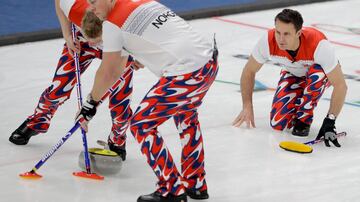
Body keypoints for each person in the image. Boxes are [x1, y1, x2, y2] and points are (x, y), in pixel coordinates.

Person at [76, 0, 218, 201]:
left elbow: (110, 71)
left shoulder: (111, 24)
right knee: (186, 118)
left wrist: (90, 104)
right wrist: (139, 55)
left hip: (186, 72)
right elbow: (156, 36)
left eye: (94, 1)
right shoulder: (142, 1)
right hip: (208, 62)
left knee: (142, 125)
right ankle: (195, 184)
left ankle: (171, 190)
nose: (92, 8)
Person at [8, 0, 142, 160]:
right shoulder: (73, 6)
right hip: (80, 42)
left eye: (96, 40)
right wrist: (67, 34)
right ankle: (38, 122)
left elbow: (108, 73)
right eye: (91, 39)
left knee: (120, 102)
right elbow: (59, 2)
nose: (94, 44)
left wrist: (140, 56)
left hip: (117, 48)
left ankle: (117, 139)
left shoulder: (125, 22)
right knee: (58, 88)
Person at [232, 9, 347, 147]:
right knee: (277, 124)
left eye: (286, 34)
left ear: (298, 33)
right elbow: (249, 71)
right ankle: (298, 104)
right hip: (294, 75)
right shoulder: (268, 41)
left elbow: (341, 85)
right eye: (278, 32)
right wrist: (247, 105)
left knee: (317, 74)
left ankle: (303, 120)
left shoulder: (319, 44)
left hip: (321, 75)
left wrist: (330, 120)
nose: (280, 39)